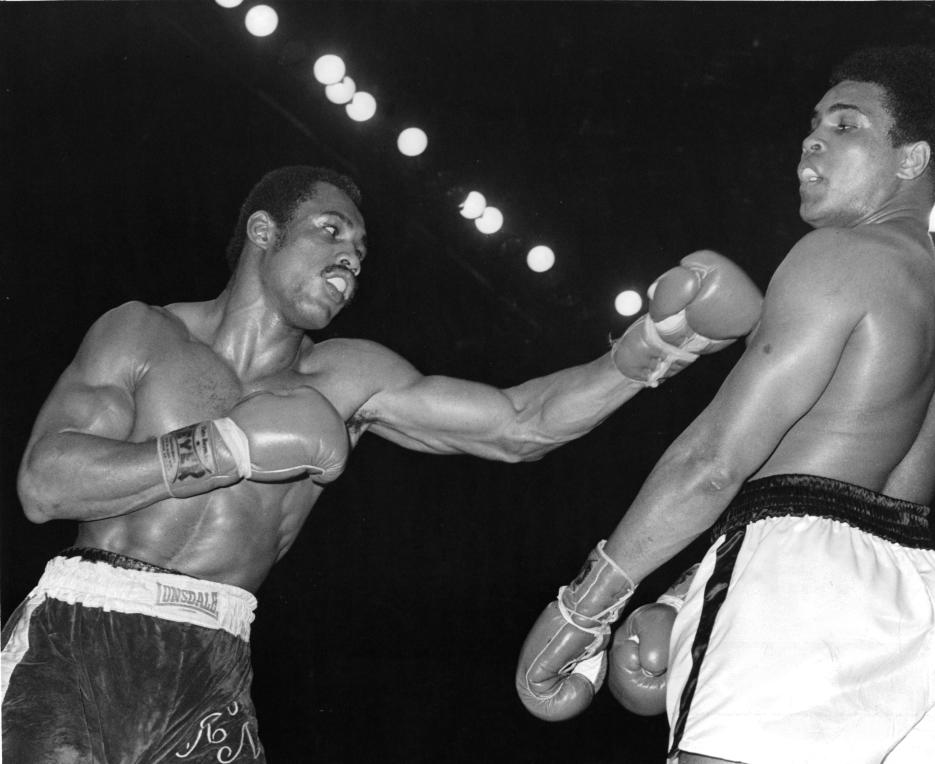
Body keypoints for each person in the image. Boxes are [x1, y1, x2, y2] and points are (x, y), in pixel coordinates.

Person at [0, 164, 761, 762]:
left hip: (211, 658)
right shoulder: (143, 334)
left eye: (360, 253)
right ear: (264, 231)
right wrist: (223, 448)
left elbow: (517, 424)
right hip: (77, 636)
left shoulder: (348, 378)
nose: (349, 260)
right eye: (330, 233)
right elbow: (45, 482)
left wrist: (645, 357)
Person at [516, 45, 935, 764]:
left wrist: (584, 607)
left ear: (912, 160)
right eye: (814, 124)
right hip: (919, 614)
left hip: (795, 599)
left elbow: (715, 461)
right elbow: (856, 503)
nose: (812, 139)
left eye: (846, 126)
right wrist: (686, 594)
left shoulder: (838, 256)